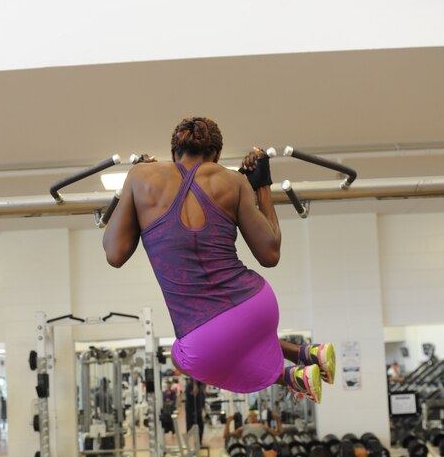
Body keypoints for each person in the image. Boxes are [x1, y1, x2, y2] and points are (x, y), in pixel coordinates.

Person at [103, 116, 335, 403]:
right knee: (232, 339)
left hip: (206, 334)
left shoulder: (141, 177)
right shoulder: (233, 180)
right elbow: (270, 253)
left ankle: (290, 376)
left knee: (181, 357)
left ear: (174, 151)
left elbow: (115, 254)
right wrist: (262, 184)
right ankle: (306, 355)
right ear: (216, 155)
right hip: (256, 305)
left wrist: (133, 188)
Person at [184, 379, 206, 445]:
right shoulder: (189, 386)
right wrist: (194, 386)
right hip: (190, 410)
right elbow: (191, 394)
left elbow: (202, 396)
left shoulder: (201, 385)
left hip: (198, 410)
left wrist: (203, 406)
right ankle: (189, 441)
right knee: (190, 426)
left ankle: (199, 441)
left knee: (201, 426)